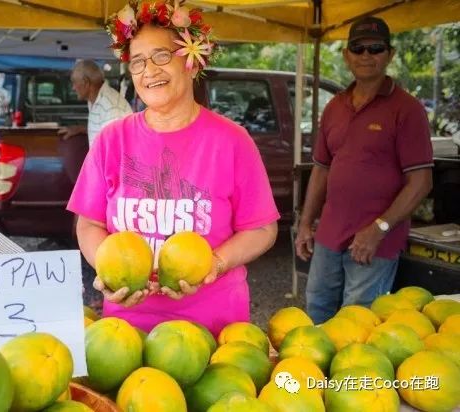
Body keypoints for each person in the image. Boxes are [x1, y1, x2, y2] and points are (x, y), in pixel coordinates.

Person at [66, 1, 279, 335]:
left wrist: (216, 263)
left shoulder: (232, 140)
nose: (149, 71)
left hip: (214, 327)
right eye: (137, 62)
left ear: (192, 63)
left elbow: (262, 229)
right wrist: (105, 269)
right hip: (124, 332)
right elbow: (89, 224)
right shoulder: (112, 140)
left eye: (162, 56)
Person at [295, 16, 433, 324]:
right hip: (330, 234)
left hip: (374, 242)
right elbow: (321, 169)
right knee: (316, 315)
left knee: (357, 326)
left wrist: (379, 229)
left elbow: (421, 182)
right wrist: (305, 224)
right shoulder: (335, 107)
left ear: (390, 54)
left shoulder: (408, 110)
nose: (366, 56)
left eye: (375, 48)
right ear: (346, 55)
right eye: (358, 48)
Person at [57, 60, 132, 148]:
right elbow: (103, 131)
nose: (73, 88)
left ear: (86, 82)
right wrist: (81, 129)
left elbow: (114, 154)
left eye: (74, 82)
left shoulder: (112, 109)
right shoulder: (94, 100)